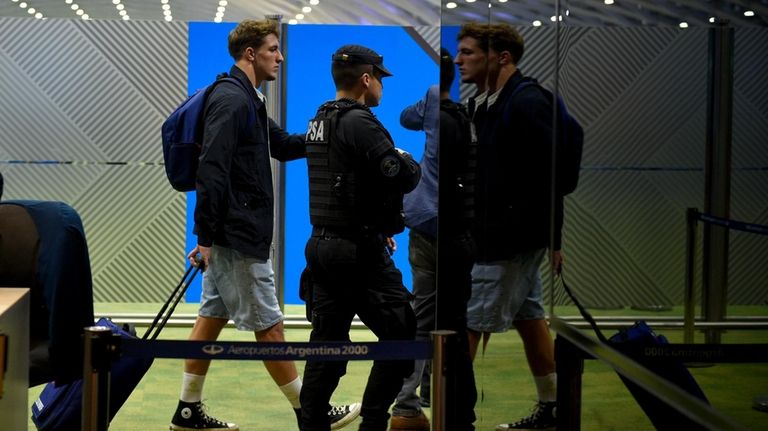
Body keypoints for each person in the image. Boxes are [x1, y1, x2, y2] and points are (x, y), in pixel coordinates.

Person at [170, 20, 359, 431]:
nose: (281, 56)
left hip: (232, 233)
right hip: (238, 236)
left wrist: (325, 131)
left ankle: (187, 410)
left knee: (210, 319)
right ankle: (309, 412)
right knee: (271, 329)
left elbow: (283, 144)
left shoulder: (247, 99)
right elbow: (212, 170)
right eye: (273, 49)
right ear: (251, 53)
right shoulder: (233, 100)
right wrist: (204, 238)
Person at [300, 44, 421, 431]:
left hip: (323, 248)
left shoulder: (320, 119)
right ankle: (373, 424)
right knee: (401, 336)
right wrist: (405, 158)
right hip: (357, 252)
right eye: (380, 80)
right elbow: (401, 175)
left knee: (326, 348)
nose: (382, 88)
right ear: (366, 80)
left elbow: (350, 183)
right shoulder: (360, 122)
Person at [456, 23, 563, 431]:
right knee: (529, 318)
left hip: (505, 241)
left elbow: (552, 174)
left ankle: (455, 415)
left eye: (468, 52)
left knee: (470, 324)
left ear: (501, 57)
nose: (460, 59)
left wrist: (551, 236)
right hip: (505, 237)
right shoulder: (490, 101)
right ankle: (552, 409)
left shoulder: (527, 101)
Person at [389, 48, 477, 431]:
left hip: (426, 224)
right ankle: (419, 397)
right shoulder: (465, 118)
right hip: (454, 228)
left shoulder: (430, 110)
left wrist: (428, 96)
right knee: (449, 317)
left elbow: (404, 117)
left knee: (424, 316)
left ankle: (410, 401)